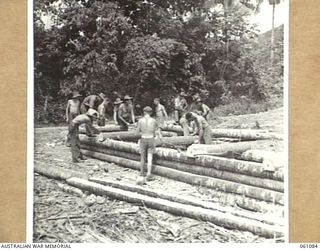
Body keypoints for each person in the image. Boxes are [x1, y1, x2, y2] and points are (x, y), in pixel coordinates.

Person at [136, 106, 161, 184]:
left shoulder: (140, 121)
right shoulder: (154, 121)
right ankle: (149, 174)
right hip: (151, 139)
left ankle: (142, 173)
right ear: (151, 112)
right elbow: (157, 131)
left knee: (142, 157)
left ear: (144, 112)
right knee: (150, 157)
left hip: (143, 138)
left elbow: (137, 132)